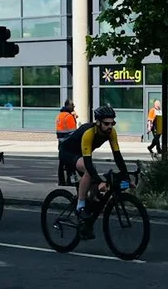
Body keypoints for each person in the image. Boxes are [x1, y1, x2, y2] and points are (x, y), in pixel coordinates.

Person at [59, 105, 132, 239]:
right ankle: (80, 206)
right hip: (68, 153)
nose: (110, 126)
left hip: (82, 154)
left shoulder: (111, 133)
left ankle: (87, 219)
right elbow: (87, 162)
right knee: (90, 170)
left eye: (112, 123)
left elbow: (117, 156)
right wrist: (100, 181)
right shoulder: (89, 133)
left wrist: (126, 175)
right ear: (98, 122)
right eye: (106, 123)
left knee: (94, 188)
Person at [55, 100, 78, 184]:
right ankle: (70, 180)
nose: (73, 107)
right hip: (68, 143)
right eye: (72, 105)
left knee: (61, 163)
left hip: (61, 142)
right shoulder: (68, 116)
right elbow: (73, 132)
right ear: (67, 106)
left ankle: (61, 181)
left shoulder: (60, 115)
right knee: (71, 163)